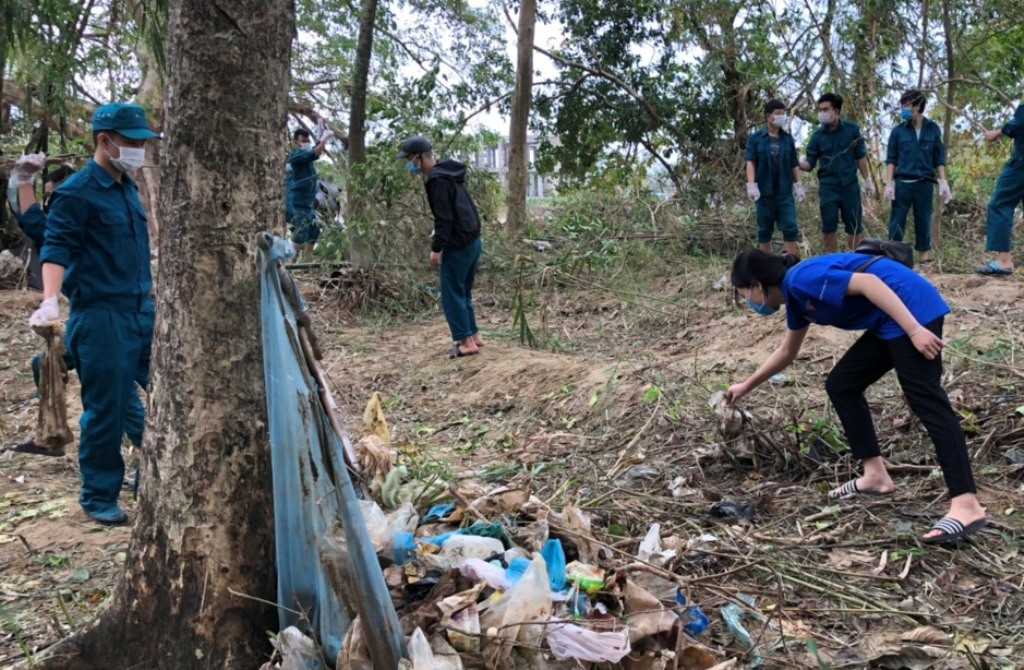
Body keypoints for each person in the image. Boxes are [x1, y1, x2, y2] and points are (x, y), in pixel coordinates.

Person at [725, 249, 987, 544]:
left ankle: (966, 504)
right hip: (888, 322)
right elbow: (787, 352)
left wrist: (915, 330)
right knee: (842, 385)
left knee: (926, 399)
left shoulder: (802, 279)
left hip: (910, 308)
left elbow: (870, 283)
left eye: (744, 294)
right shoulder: (795, 300)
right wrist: (746, 386)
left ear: (757, 285)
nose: (749, 303)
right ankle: (875, 476)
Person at [29, 102, 159, 525]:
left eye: (142, 142)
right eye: (132, 142)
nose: (139, 150)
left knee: (171, 395)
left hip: (143, 312)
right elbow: (55, 249)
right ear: (104, 141)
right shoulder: (76, 193)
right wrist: (50, 299)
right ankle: (99, 496)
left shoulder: (126, 188)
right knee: (107, 410)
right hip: (102, 318)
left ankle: (154, 476)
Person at [3, 157, 145, 459]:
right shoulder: (63, 222)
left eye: (54, 196)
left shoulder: (96, 217)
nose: (53, 204)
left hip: (117, 316)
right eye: (49, 198)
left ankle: (149, 453)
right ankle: (51, 431)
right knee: (45, 363)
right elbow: (35, 222)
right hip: (90, 317)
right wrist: (23, 181)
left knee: (121, 396)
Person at [399, 135, 484, 359]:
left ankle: (465, 342)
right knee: (463, 291)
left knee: (452, 293)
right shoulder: (449, 174)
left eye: (410, 159)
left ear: (419, 157)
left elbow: (444, 218)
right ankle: (474, 335)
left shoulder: (437, 180)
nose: (410, 164)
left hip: (459, 245)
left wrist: (436, 248)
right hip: (473, 240)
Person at [800, 93, 875, 253]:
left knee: (854, 225)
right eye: (820, 110)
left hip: (850, 185)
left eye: (825, 109)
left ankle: (855, 259)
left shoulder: (852, 130)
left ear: (836, 111)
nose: (822, 113)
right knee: (829, 225)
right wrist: (796, 163)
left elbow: (860, 157)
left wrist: (867, 180)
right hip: (828, 187)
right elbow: (809, 164)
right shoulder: (817, 136)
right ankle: (832, 260)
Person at [883, 90, 951, 263]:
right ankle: (894, 257)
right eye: (902, 105)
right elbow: (891, 159)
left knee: (923, 220)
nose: (903, 109)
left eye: (906, 105)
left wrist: (943, 181)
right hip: (902, 183)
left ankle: (924, 257)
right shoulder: (898, 131)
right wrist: (889, 184)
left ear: (917, 106)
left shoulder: (932, 129)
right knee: (897, 220)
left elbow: (939, 158)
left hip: (924, 183)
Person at [745, 100, 806, 255]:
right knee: (764, 231)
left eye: (783, 113)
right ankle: (767, 264)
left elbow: (794, 164)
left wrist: (799, 185)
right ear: (768, 117)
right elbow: (751, 162)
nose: (782, 116)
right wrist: (751, 185)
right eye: (778, 113)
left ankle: (789, 262)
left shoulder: (787, 139)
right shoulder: (756, 138)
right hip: (764, 192)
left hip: (784, 193)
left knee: (790, 227)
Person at [976, 103, 1024, 276]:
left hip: (1021, 165)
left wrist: (996, 133)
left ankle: (1004, 261)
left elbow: (1018, 123)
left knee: (1000, 204)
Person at [286, 127, 333, 260]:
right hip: (297, 201)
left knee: (315, 229)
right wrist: (325, 139)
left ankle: (307, 264)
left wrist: (320, 129)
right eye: (303, 140)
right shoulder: (296, 156)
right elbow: (314, 153)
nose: (306, 143)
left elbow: (315, 150)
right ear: (296, 142)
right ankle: (290, 266)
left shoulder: (307, 156)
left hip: (308, 203)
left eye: (308, 140)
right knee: (301, 230)